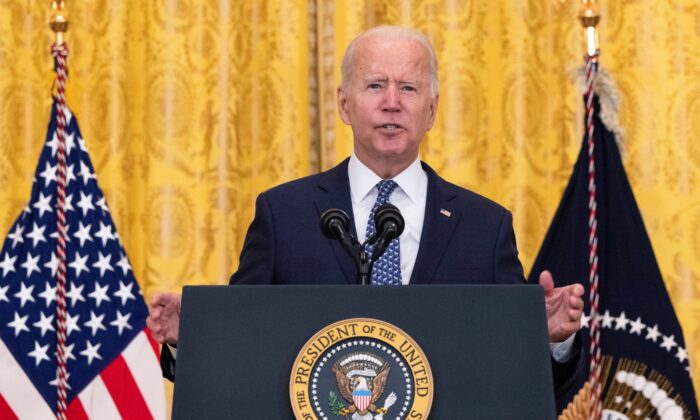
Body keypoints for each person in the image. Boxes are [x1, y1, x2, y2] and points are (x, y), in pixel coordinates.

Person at [147, 25, 584, 397]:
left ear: (430, 110)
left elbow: (520, 382)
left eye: (408, 88)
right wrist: (196, 337)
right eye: (375, 85)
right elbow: (242, 348)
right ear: (343, 104)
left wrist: (546, 340)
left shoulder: (485, 227)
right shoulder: (284, 215)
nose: (391, 102)